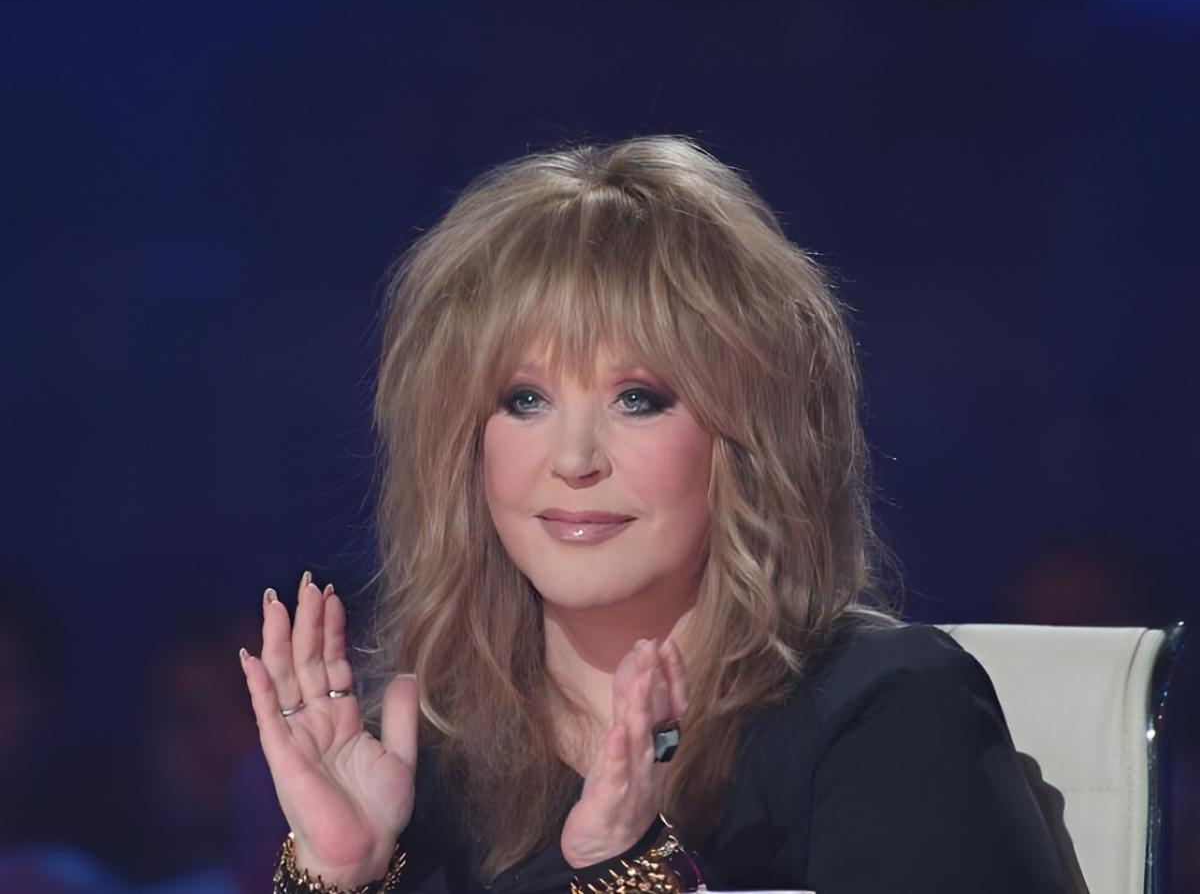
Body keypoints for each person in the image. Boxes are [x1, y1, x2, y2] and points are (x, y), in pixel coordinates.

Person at [240, 137, 1070, 893]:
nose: (574, 459)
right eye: (525, 399)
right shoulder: (425, 766)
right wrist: (335, 878)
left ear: (749, 437)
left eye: (637, 398)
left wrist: (628, 870)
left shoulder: (886, 713)